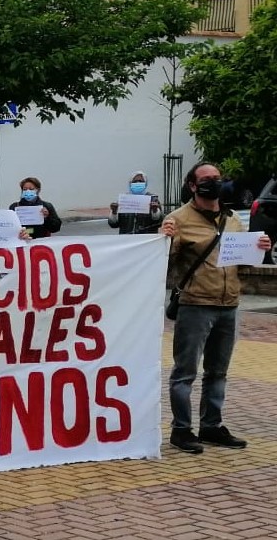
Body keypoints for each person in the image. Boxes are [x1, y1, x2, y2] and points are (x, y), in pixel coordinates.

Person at [160, 162, 271, 454]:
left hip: (229, 304)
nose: (214, 183)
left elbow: (242, 262)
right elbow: (164, 263)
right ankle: (182, 430)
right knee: (185, 372)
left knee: (218, 372)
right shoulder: (178, 218)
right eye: (206, 180)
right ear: (193, 186)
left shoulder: (232, 218)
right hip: (195, 305)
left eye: (217, 179)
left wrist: (260, 247)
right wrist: (165, 239)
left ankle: (211, 425)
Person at [109, 170, 164, 234]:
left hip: (146, 239)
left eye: (141, 181)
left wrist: (155, 211)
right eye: (135, 181)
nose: (138, 183)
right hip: (128, 240)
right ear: (130, 183)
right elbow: (113, 224)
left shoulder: (153, 199)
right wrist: (114, 212)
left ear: (145, 183)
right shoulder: (123, 200)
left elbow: (159, 223)